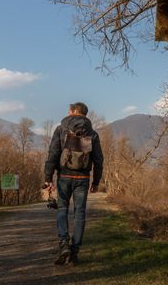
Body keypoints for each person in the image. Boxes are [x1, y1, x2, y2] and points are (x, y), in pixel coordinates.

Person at [44, 102, 104, 265]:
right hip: (82, 179)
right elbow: (98, 159)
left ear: (73, 112)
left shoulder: (61, 129)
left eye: (69, 111)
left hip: (64, 176)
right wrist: (96, 181)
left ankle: (64, 244)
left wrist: (48, 177)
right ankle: (75, 251)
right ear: (85, 114)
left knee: (62, 209)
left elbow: (53, 153)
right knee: (80, 213)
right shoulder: (93, 134)